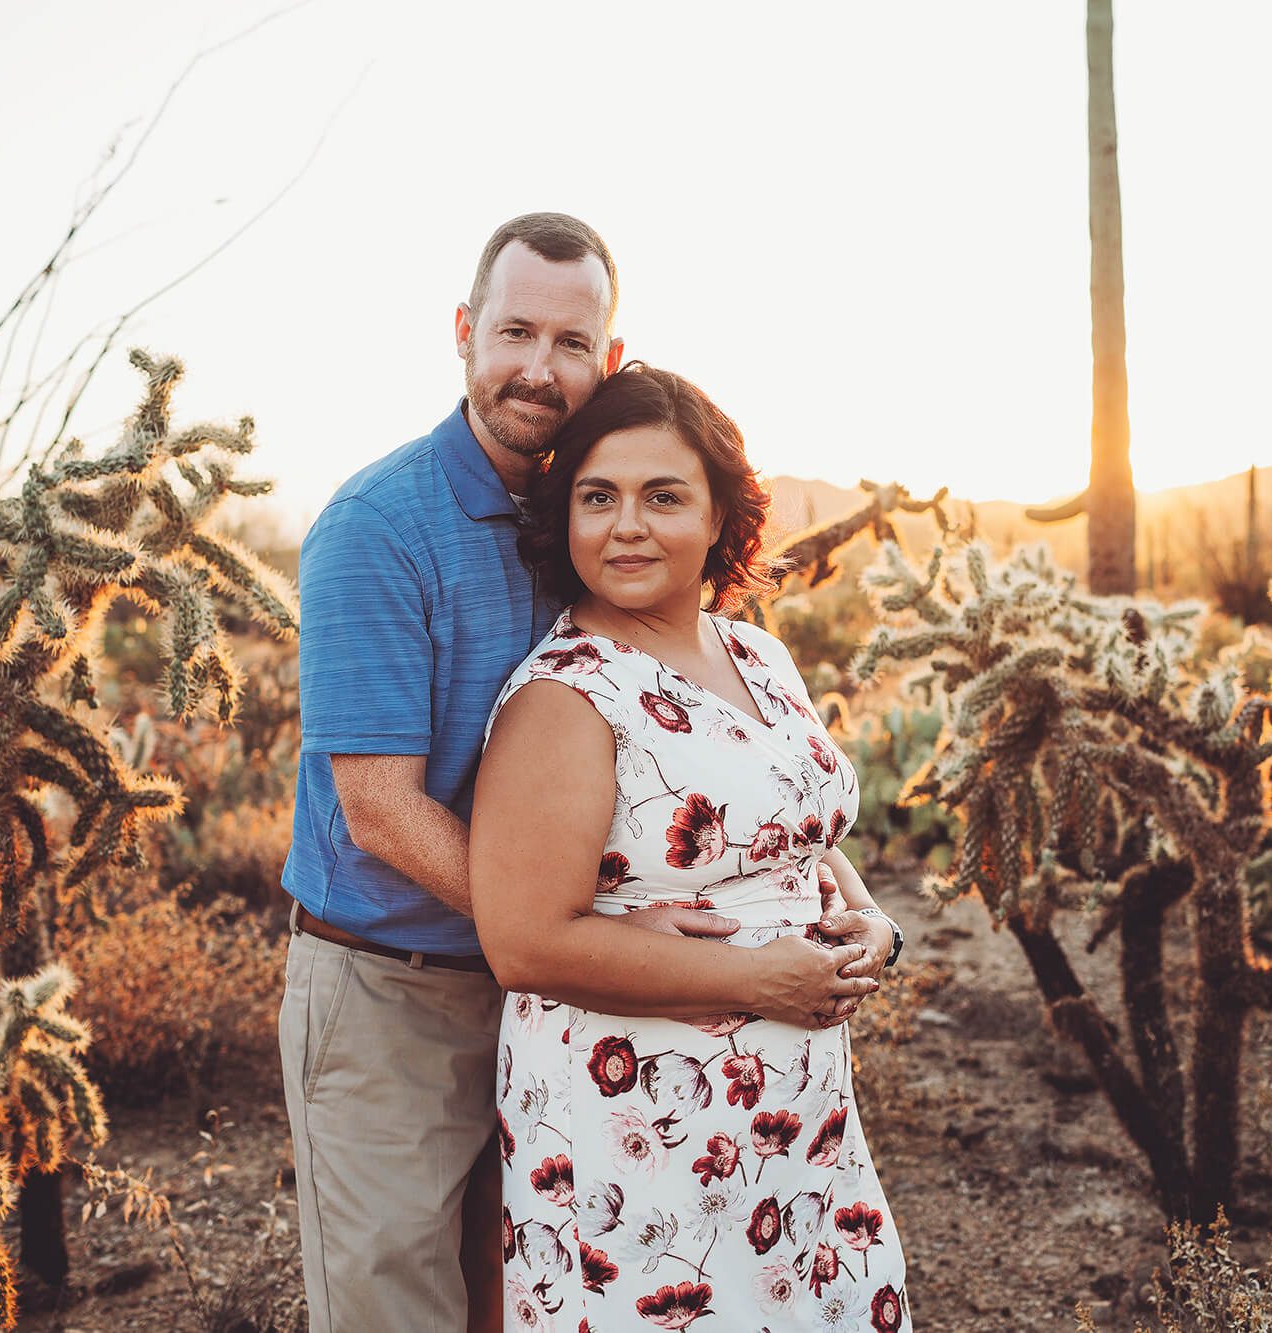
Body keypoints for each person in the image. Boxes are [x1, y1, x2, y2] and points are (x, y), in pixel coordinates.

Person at [279, 214, 877, 1333]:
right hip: (393, 982)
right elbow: (376, 807)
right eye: (513, 331)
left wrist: (837, 909)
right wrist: (582, 928)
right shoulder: (377, 525)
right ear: (464, 332)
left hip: (566, 991)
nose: (536, 367)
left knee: (538, 1287)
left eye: (568, 341)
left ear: (605, 357)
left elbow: (706, 765)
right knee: (393, 1298)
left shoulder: (582, 510)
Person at [472, 364, 912, 1332]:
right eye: (597, 497)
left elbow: (797, 830)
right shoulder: (568, 697)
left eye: (662, 496)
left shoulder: (755, 652)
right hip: (642, 1130)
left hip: (797, 1122)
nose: (625, 525)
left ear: (719, 516)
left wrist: (870, 916)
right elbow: (525, 943)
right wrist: (760, 982)